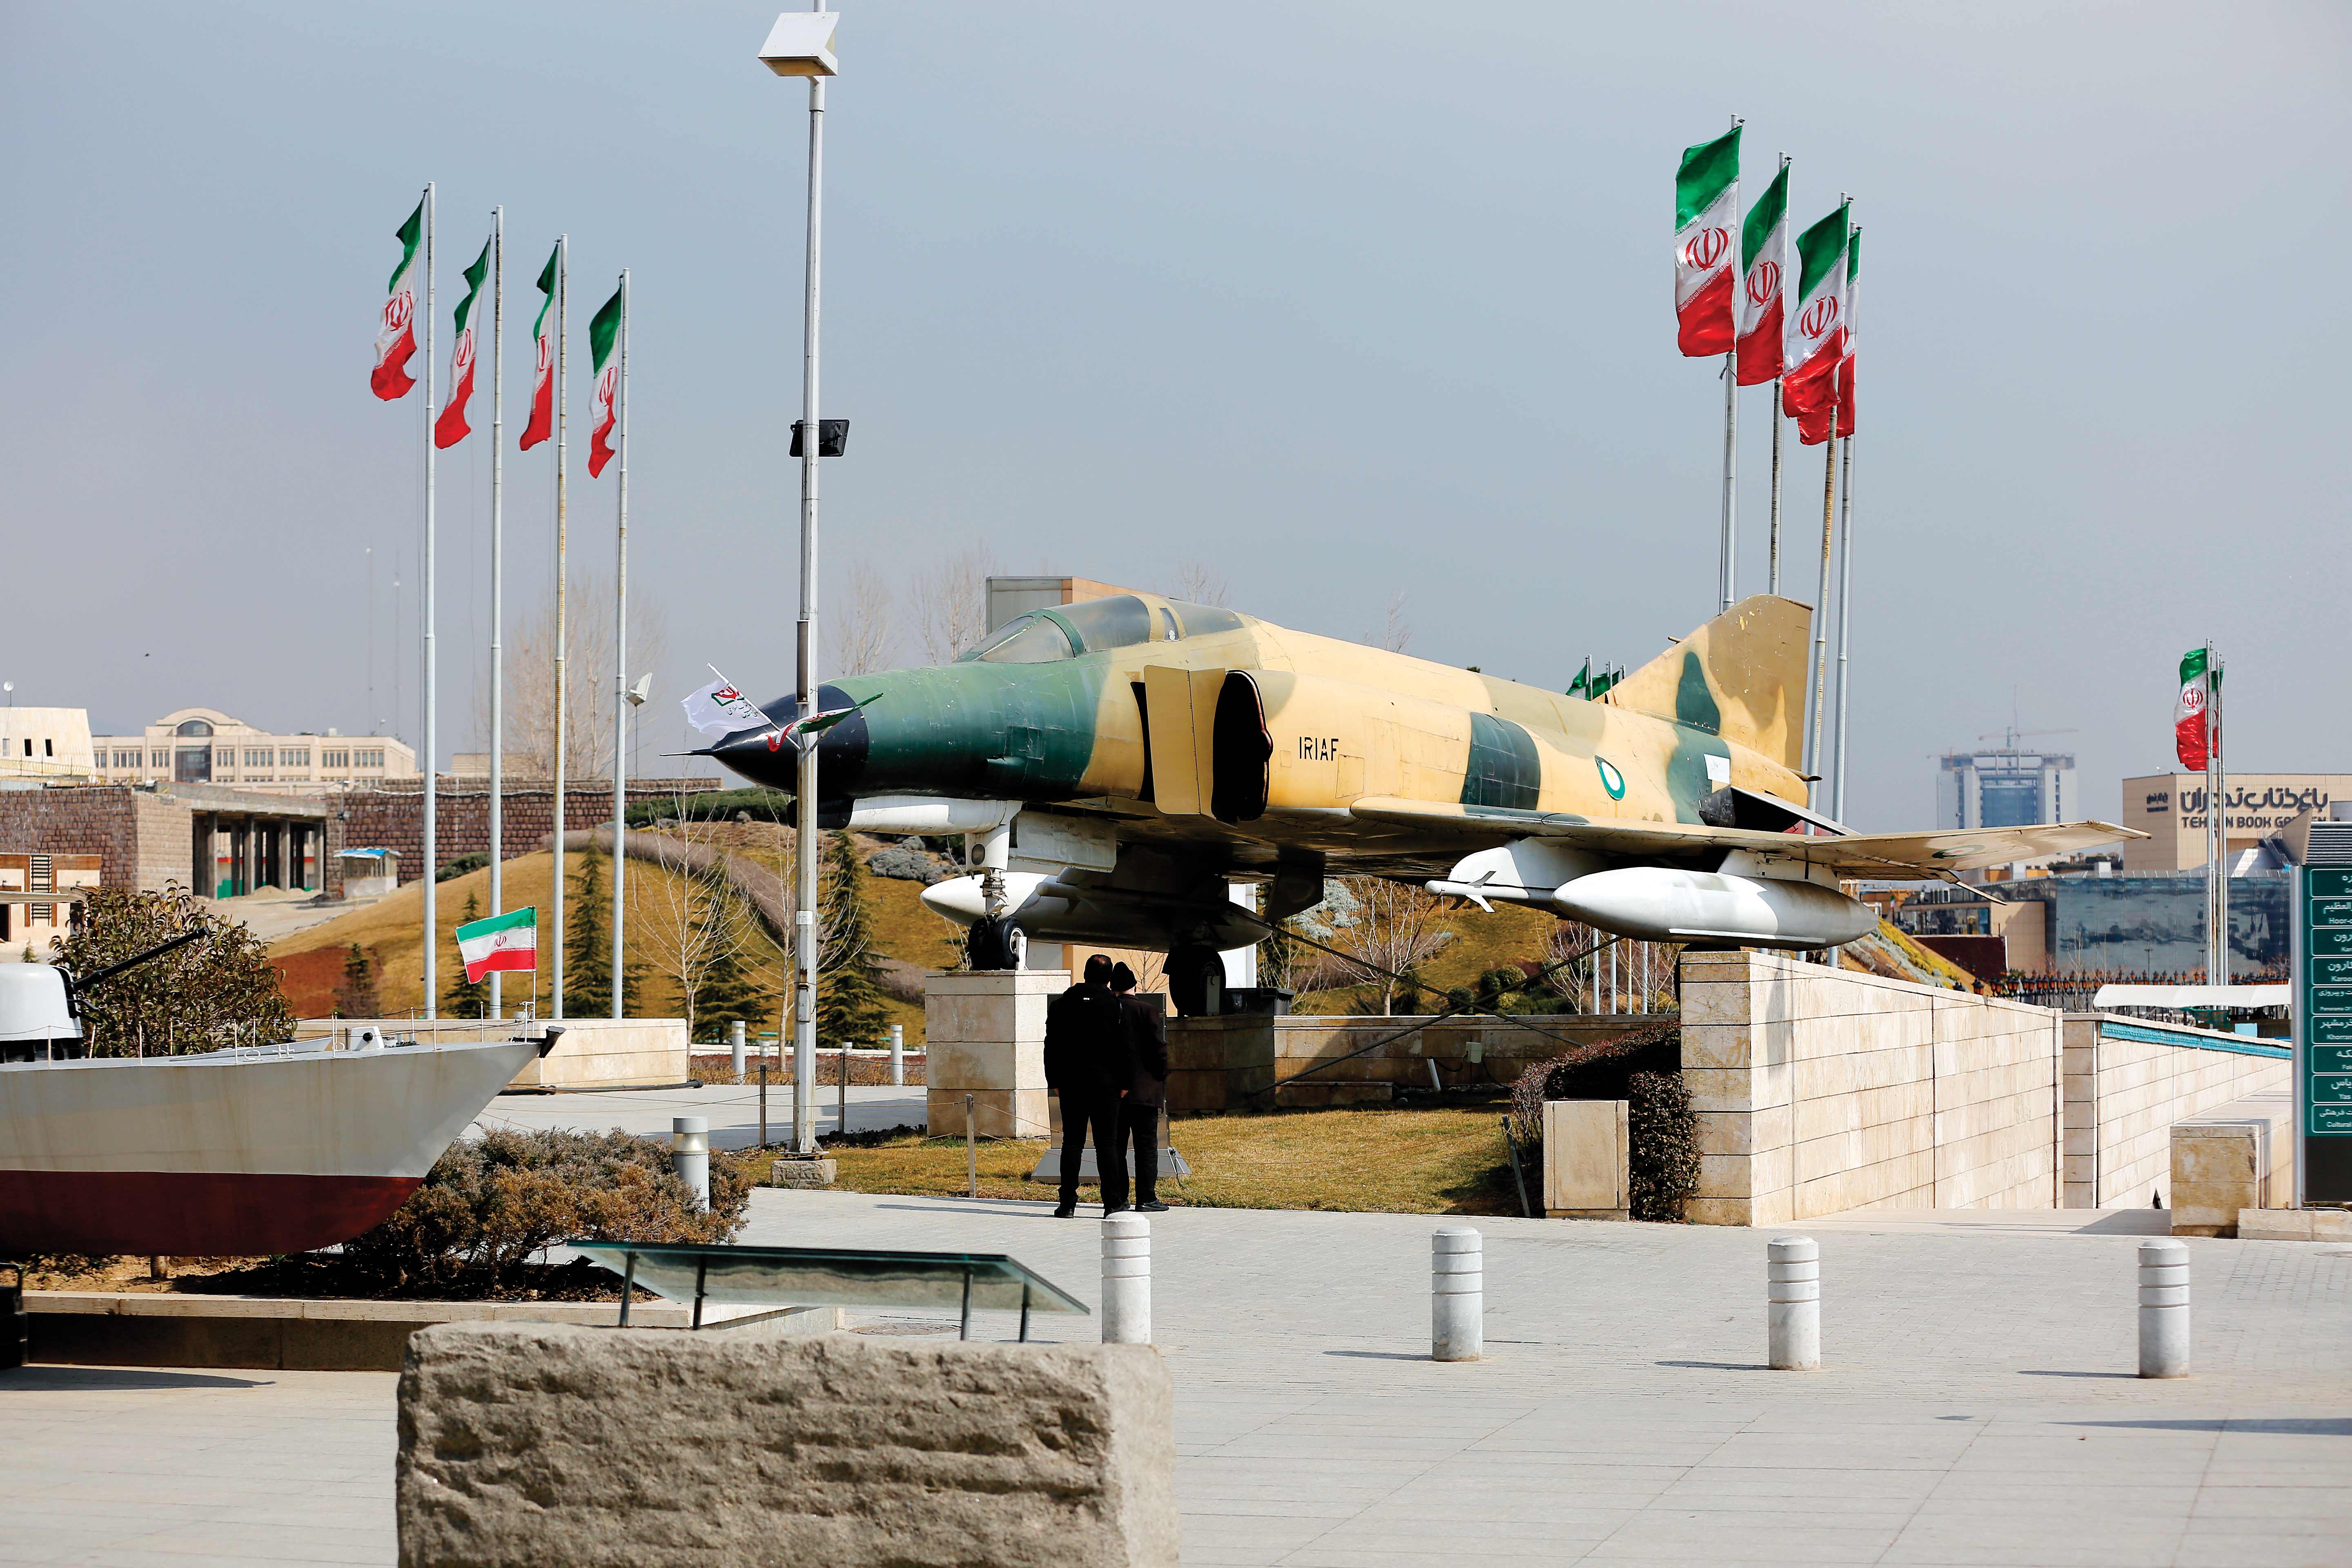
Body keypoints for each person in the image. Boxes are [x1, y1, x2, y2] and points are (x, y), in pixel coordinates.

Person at [1043, 953, 1131, 1217]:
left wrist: (1054, 1081)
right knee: (1107, 1144)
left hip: (1071, 1084)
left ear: (1084, 974)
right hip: (1107, 1085)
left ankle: (1067, 1203)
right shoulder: (1115, 1006)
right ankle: (1112, 1203)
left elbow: (1051, 1047)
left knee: (1072, 1143)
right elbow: (1125, 1047)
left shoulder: (1062, 1004)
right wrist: (1125, 1082)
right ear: (1109, 978)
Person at [1110, 962, 1171, 1212]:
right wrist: (1160, 1076)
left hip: (1114, 1093)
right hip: (1145, 1091)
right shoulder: (1148, 1011)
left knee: (1116, 1148)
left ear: (1113, 988)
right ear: (1134, 987)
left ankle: (1119, 1199)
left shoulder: (1108, 1011)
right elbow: (1159, 1050)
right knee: (1146, 1148)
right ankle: (1146, 1198)